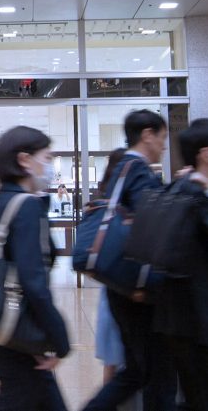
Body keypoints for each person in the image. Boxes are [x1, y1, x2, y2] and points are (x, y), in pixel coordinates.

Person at [83, 110, 176, 411]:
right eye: (162, 137)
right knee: (153, 371)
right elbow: (152, 221)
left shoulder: (122, 168)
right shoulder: (137, 168)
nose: (164, 145)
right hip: (136, 288)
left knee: (138, 370)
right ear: (147, 134)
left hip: (120, 283)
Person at [152, 119, 208, 411]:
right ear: (207, 154)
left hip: (177, 319)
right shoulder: (198, 193)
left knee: (197, 395)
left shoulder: (177, 187)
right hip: (199, 321)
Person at [0, 126, 70, 410]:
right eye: (46, 158)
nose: (49, 166)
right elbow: (33, 279)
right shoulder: (24, 206)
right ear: (25, 160)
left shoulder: (4, 201)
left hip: (7, 328)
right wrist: (59, 336)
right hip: (23, 333)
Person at [93, 148, 126, 384]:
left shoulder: (102, 205)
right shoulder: (117, 208)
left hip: (111, 292)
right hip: (121, 293)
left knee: (113, 365)